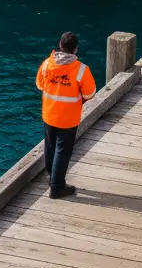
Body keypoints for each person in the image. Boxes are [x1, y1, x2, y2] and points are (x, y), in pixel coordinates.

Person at [35, 31, 96, 198]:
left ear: (60, 46)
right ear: (75, 49)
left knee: (50, 146)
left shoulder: (47, 64)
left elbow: (40, 85)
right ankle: (57, 186)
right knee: (63, 150)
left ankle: (51, 176)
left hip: (49, 113)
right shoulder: (81, 70)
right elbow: (90, 93)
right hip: (68, 118)